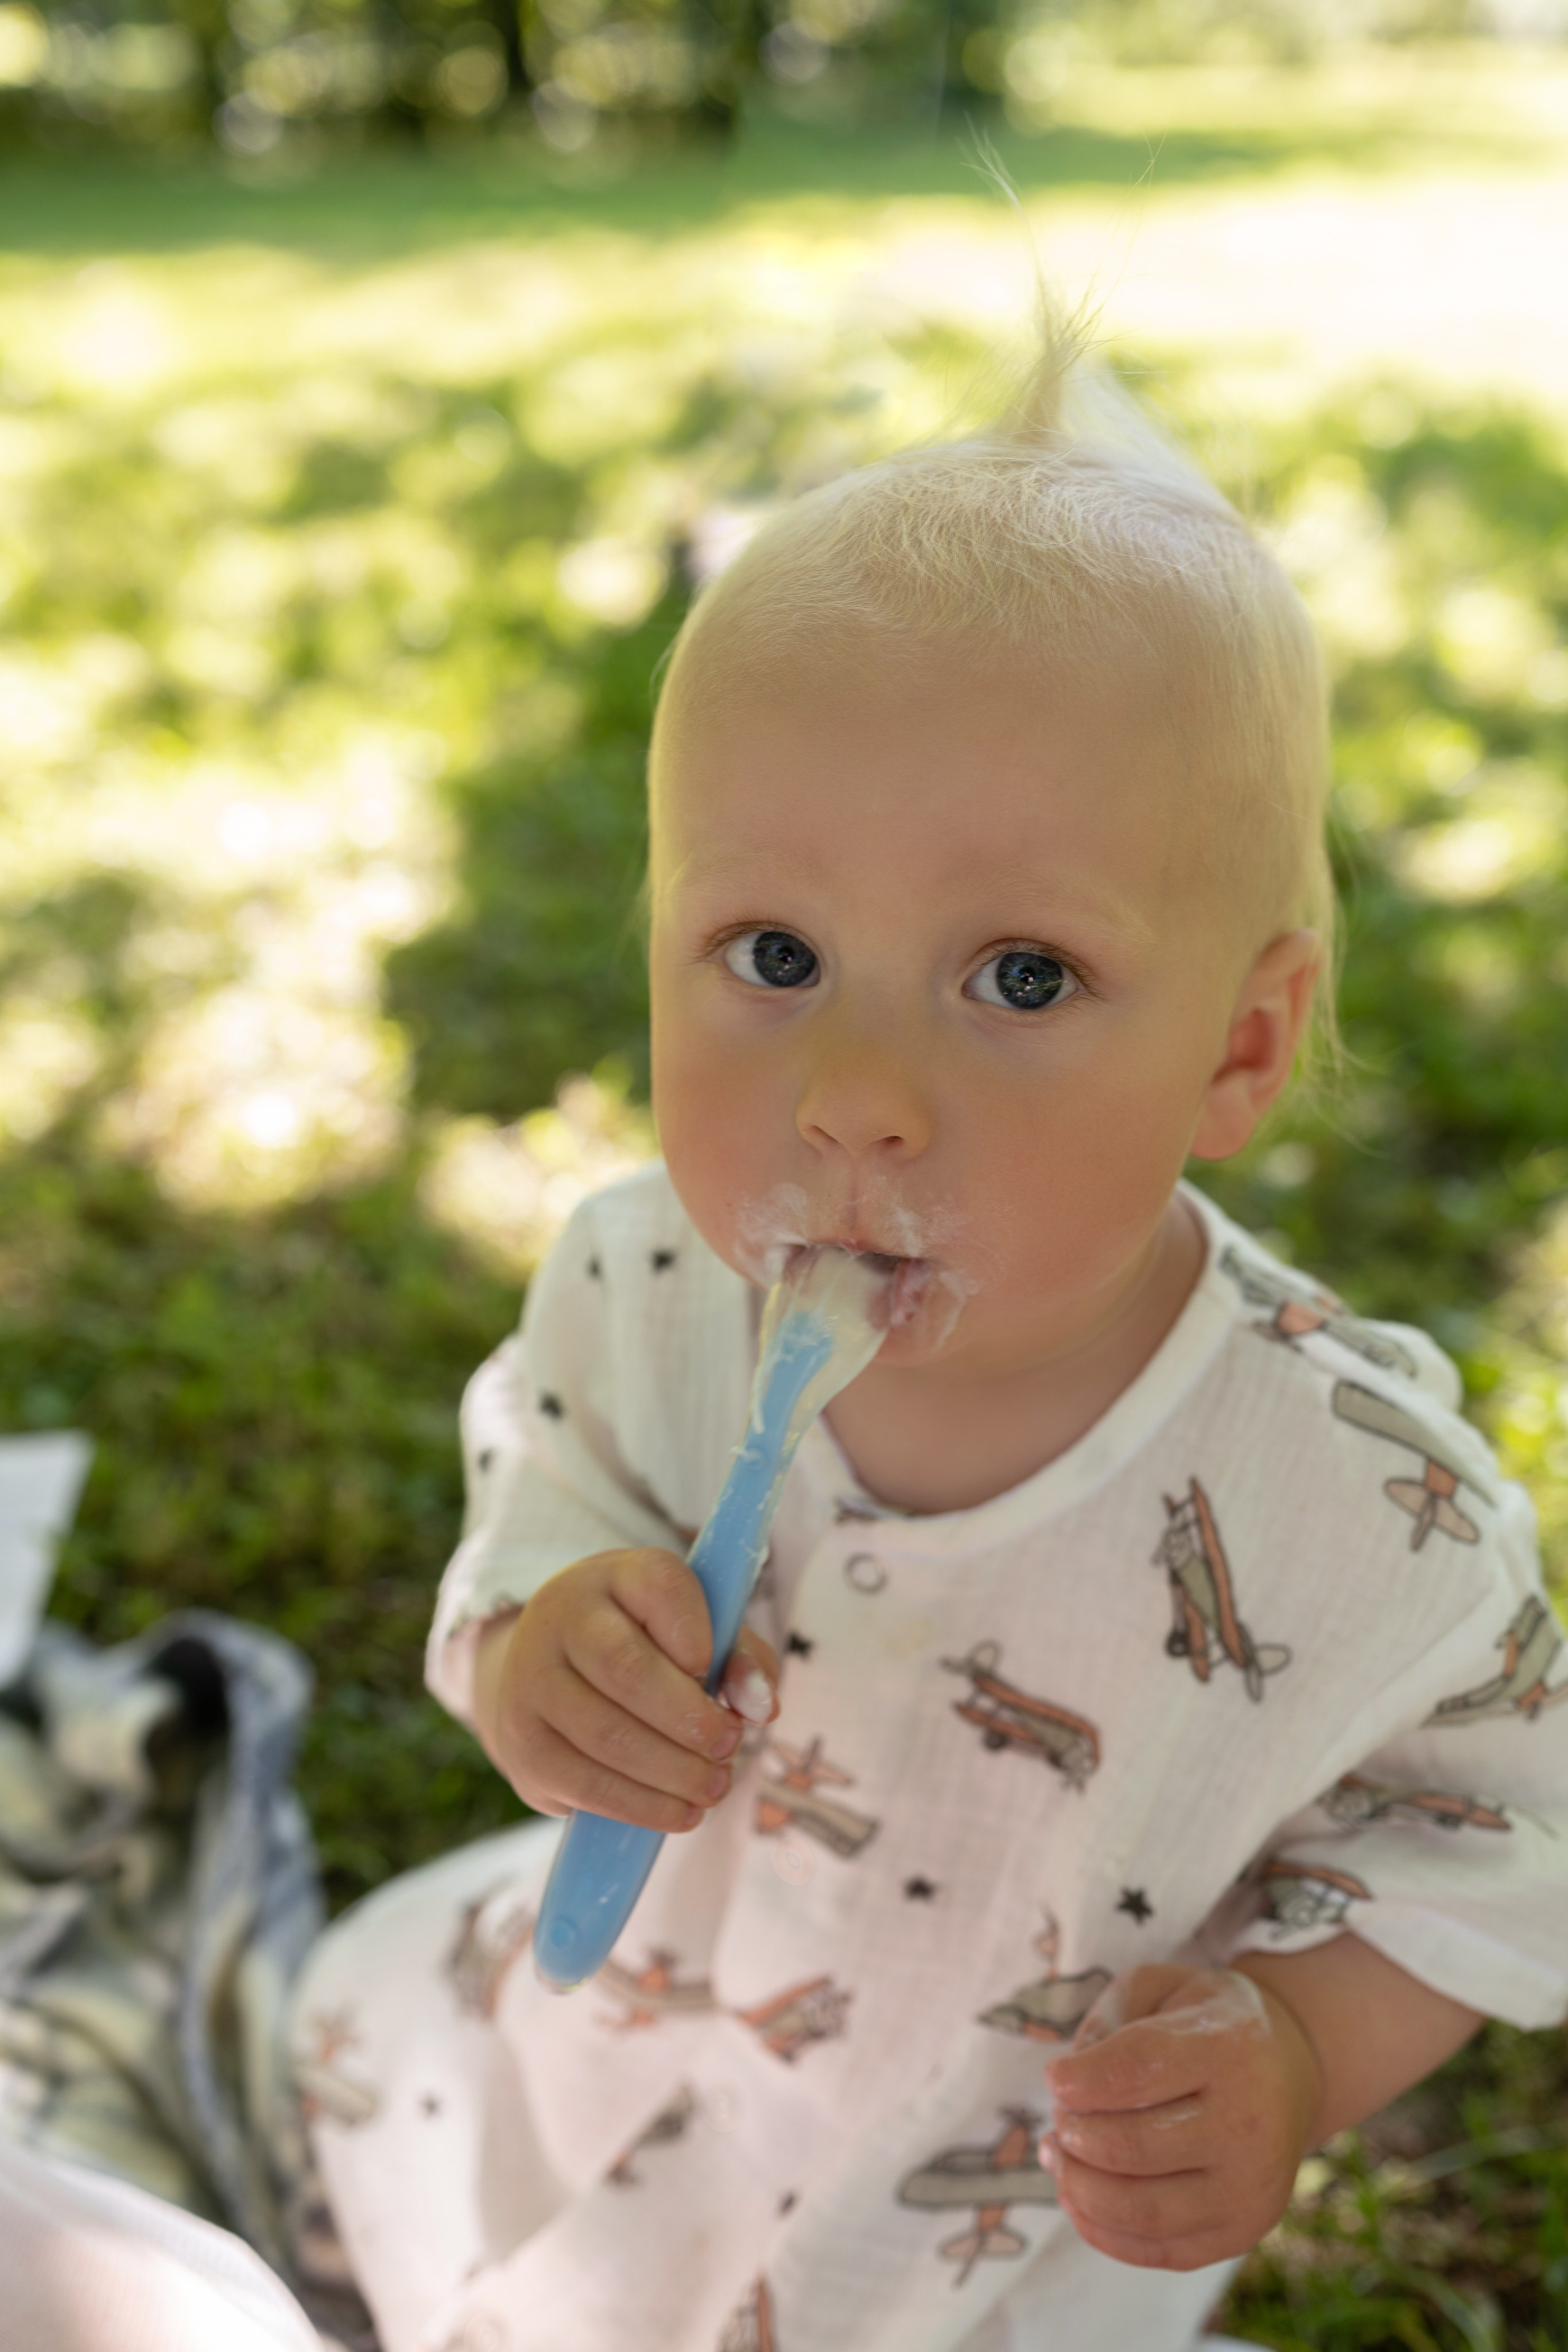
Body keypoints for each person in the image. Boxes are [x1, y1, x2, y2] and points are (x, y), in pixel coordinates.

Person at [290, 313, 1568, 2352]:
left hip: (979, 2210)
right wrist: (549, 1648)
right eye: (773, 954)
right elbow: (539, 1485)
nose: (858, 1091)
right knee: (452, 2184)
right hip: (608, 2060)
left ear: (1241, 1048)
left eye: (1024, 977)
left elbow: (1510, 1821)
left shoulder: (1365, 1512)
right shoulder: (645, 1285)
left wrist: (1307, 2047)